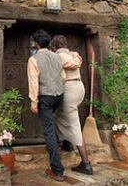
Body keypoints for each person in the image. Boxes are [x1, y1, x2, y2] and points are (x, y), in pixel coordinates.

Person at [52, 35, 93, 175]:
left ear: (54, 47)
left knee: (74, 126)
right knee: (58, 116)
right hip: (79, 87)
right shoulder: (74, 54)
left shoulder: (58, 56)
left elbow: (59, 75)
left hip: (69, 89)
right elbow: (75, 63)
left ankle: (86, 164)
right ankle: (67, 143)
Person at [27, 29, 65, 182]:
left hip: (45, 97)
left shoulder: (34, 59)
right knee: (51, 125)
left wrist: (33, 101)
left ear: (36, 44)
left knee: (48, 131)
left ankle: (57, 170)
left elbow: (33, 82)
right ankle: (57, 144)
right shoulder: (57, 57)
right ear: (48, 43)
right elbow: (62, 76)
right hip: (59, 96)